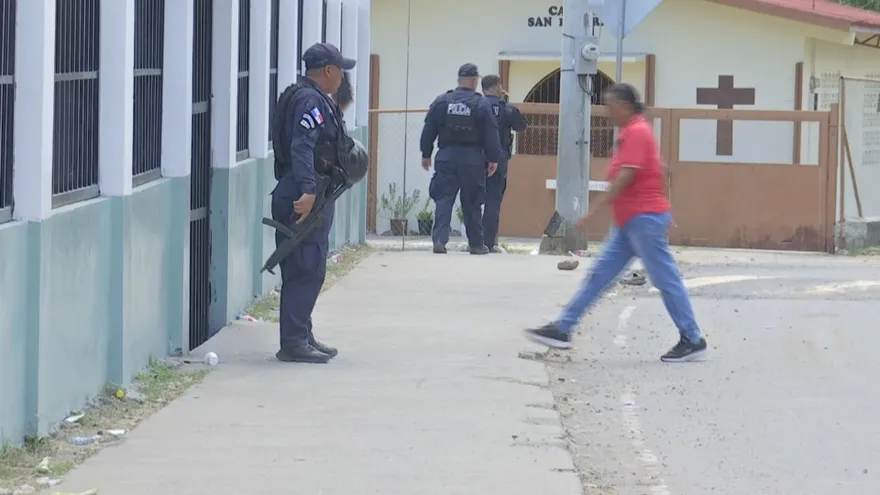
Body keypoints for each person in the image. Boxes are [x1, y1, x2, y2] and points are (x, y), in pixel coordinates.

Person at [523, 83, 708, 363]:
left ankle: (692, 338)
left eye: (610, 106)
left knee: (665, 279)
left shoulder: (637, 131)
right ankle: (563, 327)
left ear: (624, 106)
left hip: (643, 220)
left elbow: (625, 178)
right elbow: (658, 171)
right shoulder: (631, 132)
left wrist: (595, 209)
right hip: (632, 222)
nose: (607, 112)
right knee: (600, 275)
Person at [270, 43, 356, 364]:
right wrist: (307, 190)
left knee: (306, 266)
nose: (343, 77)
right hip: (303, 191)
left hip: (307, 188)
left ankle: (301, 334)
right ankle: (293, 341)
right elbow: (302, 146)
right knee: (307, 267)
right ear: (329, 71)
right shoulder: (311, 101)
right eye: (341, 70)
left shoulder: (309, 96)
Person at [420, 63, 503, 255]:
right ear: (474, 81)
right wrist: (493, 159)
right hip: (472, 159)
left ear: (459, 80)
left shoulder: (442, 101)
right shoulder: (481, 104)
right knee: (472, 203)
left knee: (443, 199)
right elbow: (491, 134)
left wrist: (426, 154)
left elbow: (428, 130)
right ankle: (476, 244)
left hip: (446, 156)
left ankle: (439, 240)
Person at [479, 75, 528, 253]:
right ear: (498, 87)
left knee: (472, 201)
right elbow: (522, 126)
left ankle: (474, 241)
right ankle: (488, 243)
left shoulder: (476, 105)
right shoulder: (505, 109)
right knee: (492, 202)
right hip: (498, 161)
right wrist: (505, 102)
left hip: (474, 160)